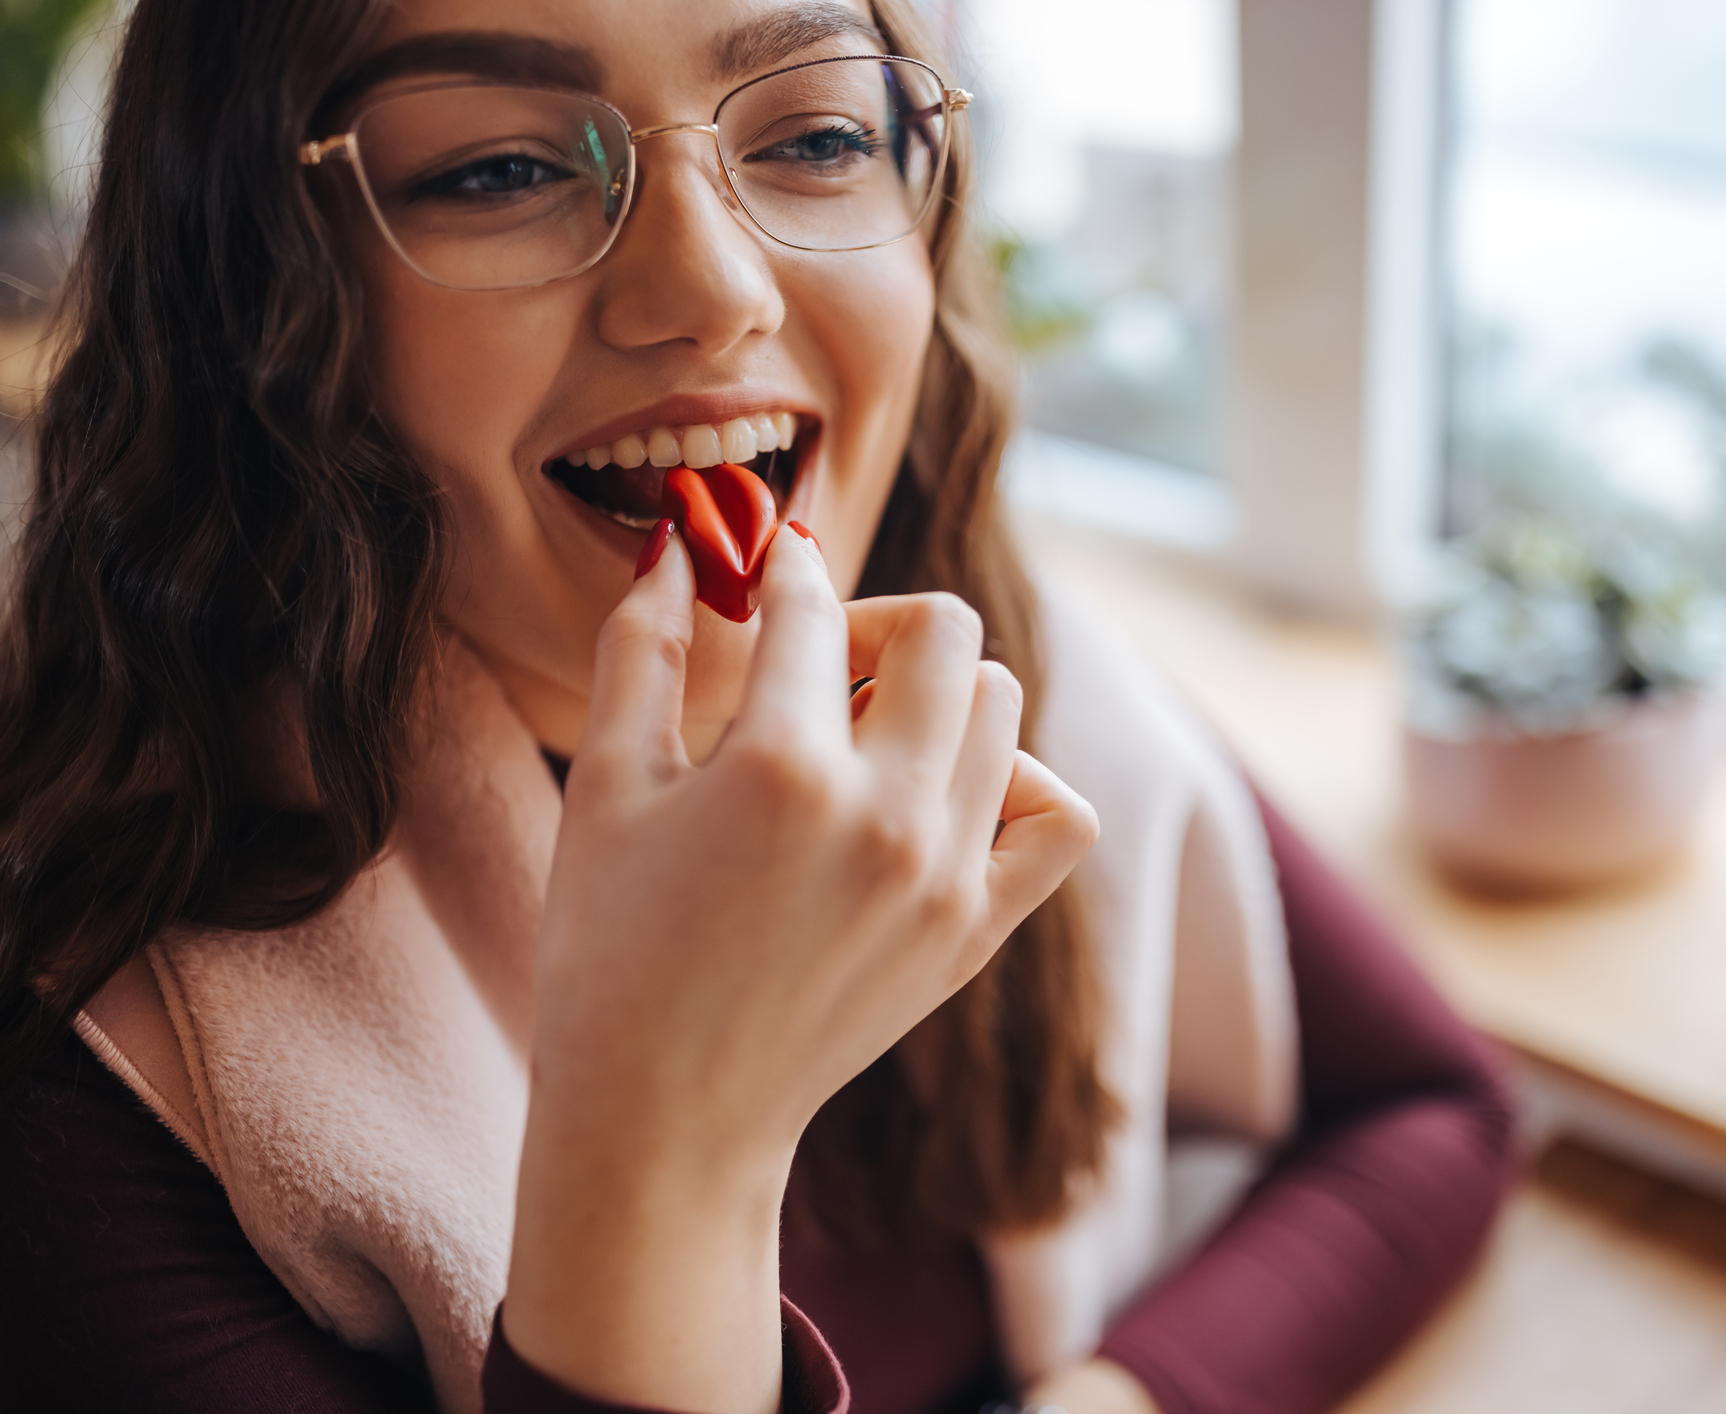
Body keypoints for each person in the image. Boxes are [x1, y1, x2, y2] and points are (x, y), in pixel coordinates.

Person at [0, 1, 1514, 1411]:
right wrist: (672, 1148)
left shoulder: (1010, 656)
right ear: (250, 290)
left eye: (815, 139)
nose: (713, 295)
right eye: (503, 166)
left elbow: (1437, 1110)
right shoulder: (95, 1064)